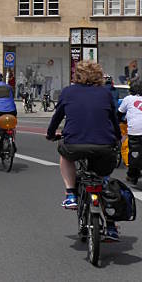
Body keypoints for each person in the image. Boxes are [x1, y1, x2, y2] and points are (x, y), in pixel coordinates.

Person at [46, 61, 120, 241]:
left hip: (74, 145)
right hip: (104, 146)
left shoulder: (68, 92)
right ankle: (111, 226)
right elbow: (114, 120)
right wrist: (117, 138)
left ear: (76, 75)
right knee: (103, 181)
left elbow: (57, 118)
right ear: (98, 75)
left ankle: (71, 193)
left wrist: (50, 134)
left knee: (65, 154)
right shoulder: (106, 93)